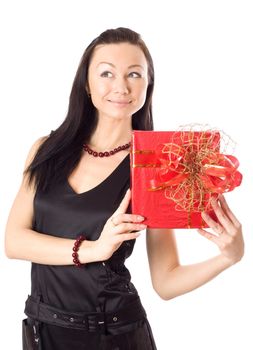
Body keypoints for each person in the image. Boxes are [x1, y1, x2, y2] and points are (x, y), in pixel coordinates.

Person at [4, 27, 244, 350]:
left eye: (134, 74)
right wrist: (93, 250)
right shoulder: (45, 150)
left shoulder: (155, 166)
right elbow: (14, 241)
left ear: (148, 85)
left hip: (115, 337)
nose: (121, 86)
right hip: (44, 333)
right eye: (106, 73)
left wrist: (229, 257)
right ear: (86, 84)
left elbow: (166, 280)